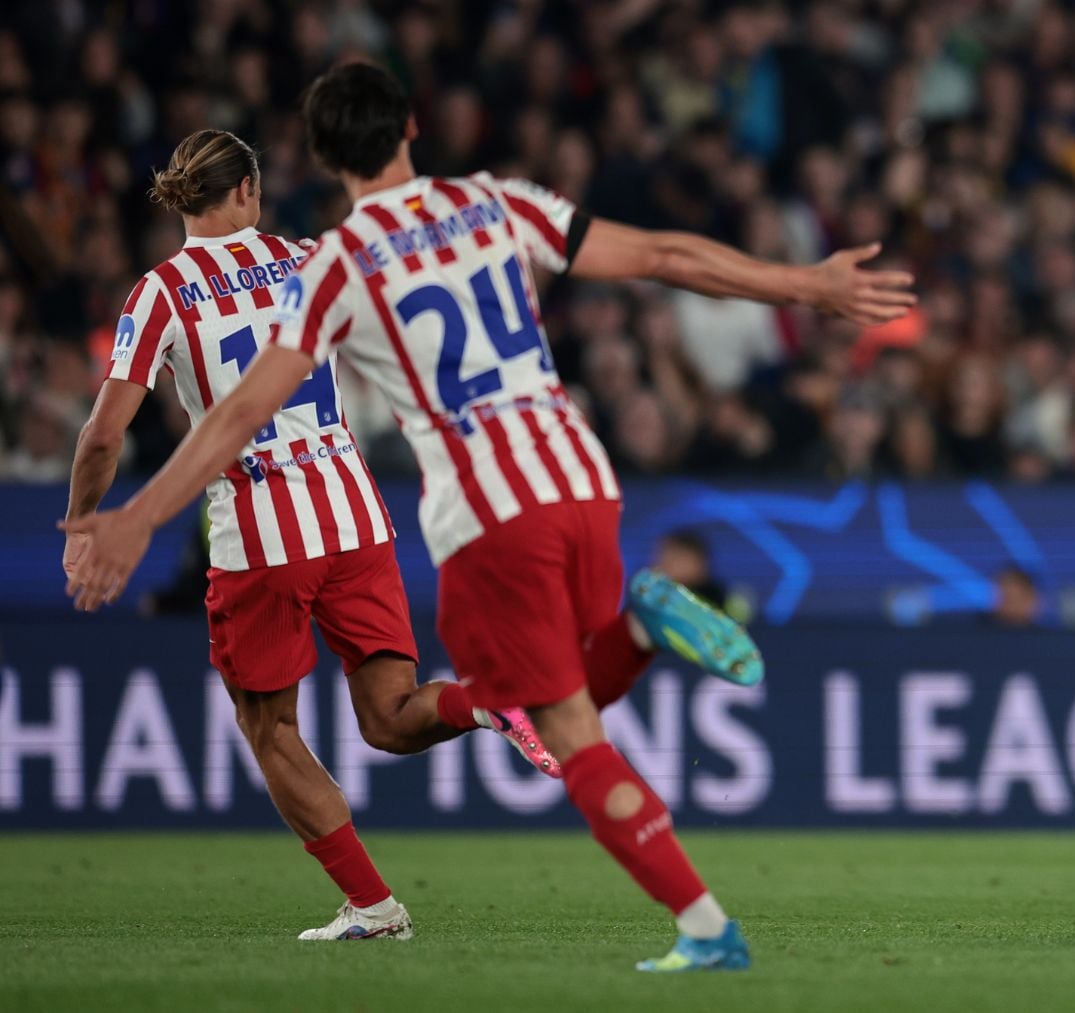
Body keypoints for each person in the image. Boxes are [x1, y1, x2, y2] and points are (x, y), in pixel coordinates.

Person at [64, 62, 914, 970]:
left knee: (335, 725)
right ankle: (687, 892)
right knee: (431, 711)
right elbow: (666, 256)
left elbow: (227, 416)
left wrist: (131, 517)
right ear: (412, 129)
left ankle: (432, 890)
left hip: (438, 515)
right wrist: (804, 286)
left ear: (321, 157)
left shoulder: (334, 265)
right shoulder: (485, 206)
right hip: (564, 476)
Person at [63, 129, 560, 943]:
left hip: (261, 535)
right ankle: (487, 700)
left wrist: (87, 524)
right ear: (248, 192)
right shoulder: (307, 260)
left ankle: (374, 906)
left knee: (271, 729)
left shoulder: (160, 292)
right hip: (354, 514)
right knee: (392, 715)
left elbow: (103, 435)